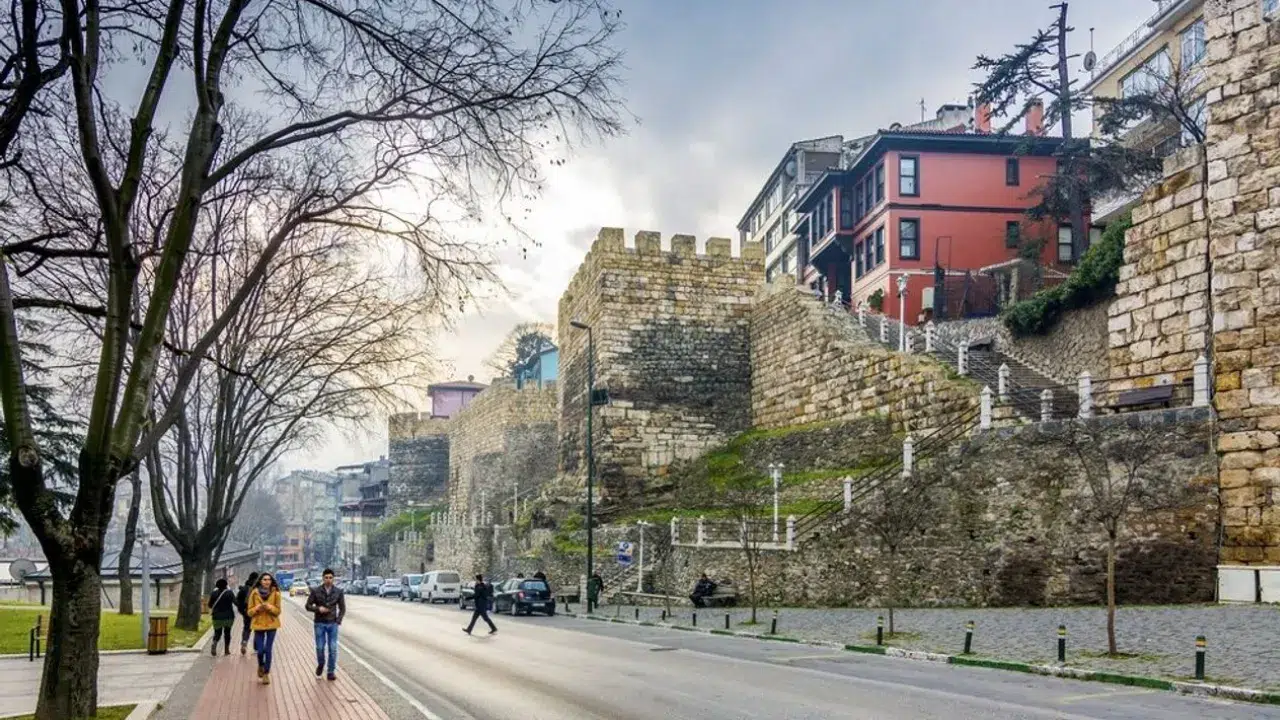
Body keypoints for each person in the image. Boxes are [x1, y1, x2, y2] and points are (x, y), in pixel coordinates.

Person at [305, 568, 346, 680]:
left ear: (333, 579)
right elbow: (308, 606)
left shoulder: (338, 592)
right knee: (320, 647)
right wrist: (318, 609)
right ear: (323, 578)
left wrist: (338, 620)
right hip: (319, 623)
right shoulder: (316, 591)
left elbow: (342, 608)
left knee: (333, 648)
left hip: (333, 623)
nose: (328, 580)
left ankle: (330, 671)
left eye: (330, 578)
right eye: (326, 578)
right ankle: (321, 664)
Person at [247, 572, 282, 684]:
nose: (267, 582)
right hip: (258, 624)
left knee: (268, 649)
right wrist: (257, 608)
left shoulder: (276, 593)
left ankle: (266, 673)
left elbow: (278, 611)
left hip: (272, 624)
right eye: (264, 580)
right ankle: (260, 665)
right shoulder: (254, 593)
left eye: (269, 579)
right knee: (260, 650)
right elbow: (249, 612)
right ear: (260, 581)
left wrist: (270, 608)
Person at [208, 578, 237, 657]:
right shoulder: (230, 593)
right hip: (228, 617)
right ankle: (226, 650)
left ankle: (214, 642)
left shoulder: (214, 593)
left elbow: (210, 605)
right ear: (226, 585)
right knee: (227, 633)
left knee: (217, 632)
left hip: (217, 617)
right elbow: (236, 602)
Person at [235, 571, 259, 655]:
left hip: (246, 612)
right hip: (256, 612)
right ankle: (256, 648)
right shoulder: (257, 589)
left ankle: (244, 642)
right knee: (257, 629)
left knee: (246, 628)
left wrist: (242, 611)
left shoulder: (244, 588)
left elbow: (237, 600)